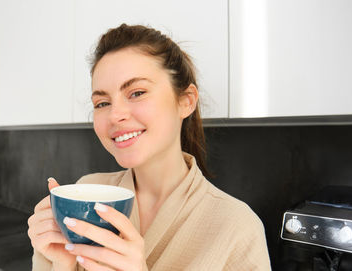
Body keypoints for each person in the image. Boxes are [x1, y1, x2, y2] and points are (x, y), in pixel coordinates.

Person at [27, 24, 271, 270]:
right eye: (102, 103)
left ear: (186, 101)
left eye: (137, 93)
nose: (115, 115)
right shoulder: (87, 190)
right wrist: (61, 263)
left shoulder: (237, 228)